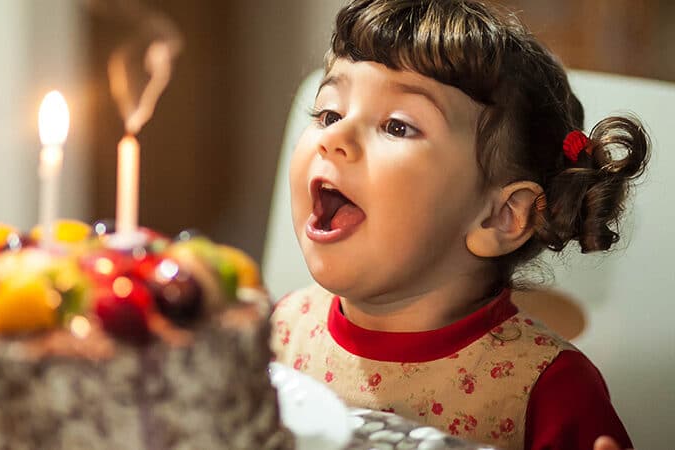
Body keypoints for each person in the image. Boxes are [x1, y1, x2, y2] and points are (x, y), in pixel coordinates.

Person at [270, 1, 649, 450]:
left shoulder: (547, 394)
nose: (334, 138)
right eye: (330, 114)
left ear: (501, 217)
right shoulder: (278, 332)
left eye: (397, 126)